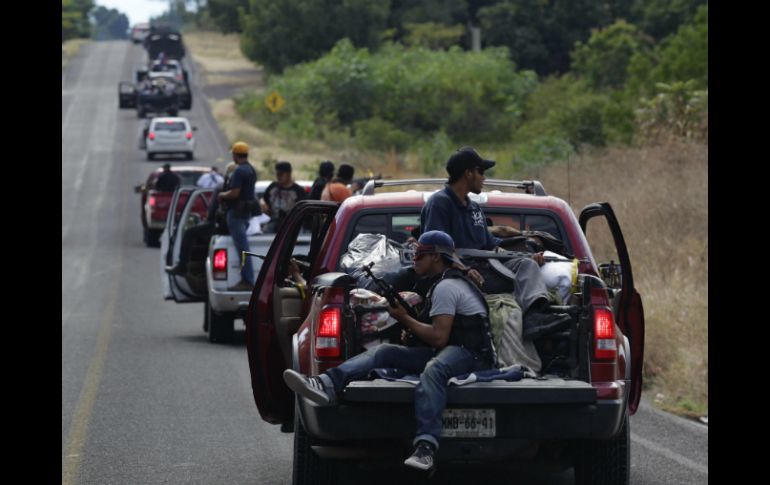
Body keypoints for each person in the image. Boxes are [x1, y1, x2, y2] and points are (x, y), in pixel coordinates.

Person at [283, 230, 496, 472]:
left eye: (420, 254)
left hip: (473, 355)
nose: (414, 259)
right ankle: (325, 383)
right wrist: (411, 330)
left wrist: (404, 318)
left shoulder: (447, 286)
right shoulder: (437, 283)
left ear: (436, 257)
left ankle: (426, 447)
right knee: (384, 353)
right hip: (451, 349)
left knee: (433, 371)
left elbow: (439, 337)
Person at [420, 146, 571, 337]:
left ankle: (535, 317)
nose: (484, 178)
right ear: (467, 174)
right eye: (481, 172)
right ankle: (533, 318)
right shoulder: (439, 203)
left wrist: (527, 251)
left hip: (485, 269)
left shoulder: (474, 208)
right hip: (461, 278)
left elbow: (490, 244)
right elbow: (437, 249)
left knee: (527, 264)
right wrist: (463, 269)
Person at [167, 163, 236, 277]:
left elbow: (212, 210)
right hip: (242, 227)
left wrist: (208, 219)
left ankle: (182, 266)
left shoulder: (221, 187)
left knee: (190, 233)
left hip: (221, 227)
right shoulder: (247, 189)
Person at [218, 142, 258, 291]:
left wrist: (222, 194)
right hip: (245, 213)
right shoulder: (251, 169)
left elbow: (235, 193)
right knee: (243, 246)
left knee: (242, 248)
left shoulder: (240, 171)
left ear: (235, 154)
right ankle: (247, 279)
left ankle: (247, 280)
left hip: (236, 214)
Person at [261, 161, 307, 233]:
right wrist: (263, 203)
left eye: (281, 174)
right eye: (277, 174)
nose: (278, 177)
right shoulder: (273, 187)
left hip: (292, 223)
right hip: (274, 221)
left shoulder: (298, 191)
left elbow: (304, 210)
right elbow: (263, 199)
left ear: (289, 174)